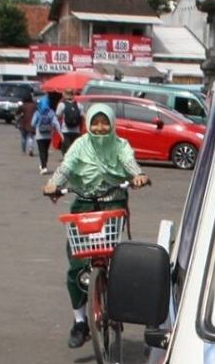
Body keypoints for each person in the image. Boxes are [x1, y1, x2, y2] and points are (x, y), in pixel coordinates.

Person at [42, 102, 147, 347]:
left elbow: (129, 163)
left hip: (113, 204)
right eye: (95, 122)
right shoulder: (79, 145)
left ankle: (116, 300)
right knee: (76, 263)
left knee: (116, 258)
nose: (100, 128)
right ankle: (80, 322)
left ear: (111, 123)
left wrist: (137, 176)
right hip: (84, 205)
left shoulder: (121, 145)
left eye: (105, 122)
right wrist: (53, 184)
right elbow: (66, 168)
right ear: (88, 124)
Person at [32, 90, 59, 175]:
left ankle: (44, 167)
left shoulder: (38, 112)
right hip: (48, 134)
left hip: (39, 134)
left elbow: (32, 123)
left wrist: (36, 125)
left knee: (41, 151)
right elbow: (55, 122)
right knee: (46, 150)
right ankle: (44, 164)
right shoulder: (51, 112)